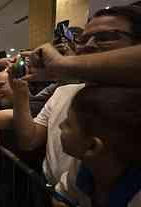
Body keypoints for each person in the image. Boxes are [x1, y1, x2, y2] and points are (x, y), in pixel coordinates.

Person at [9, 5, 141, 185]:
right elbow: (29, 140)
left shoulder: (134, 104)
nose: (88, 45)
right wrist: (19, 89)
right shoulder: (63, 92)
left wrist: (64, 65)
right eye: (82, 39)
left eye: (105, 38)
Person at [54, 86, 141, 207]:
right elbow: (62, 195)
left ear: (92, 146)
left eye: (68, 124)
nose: (60, 125)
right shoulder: (83, 166)